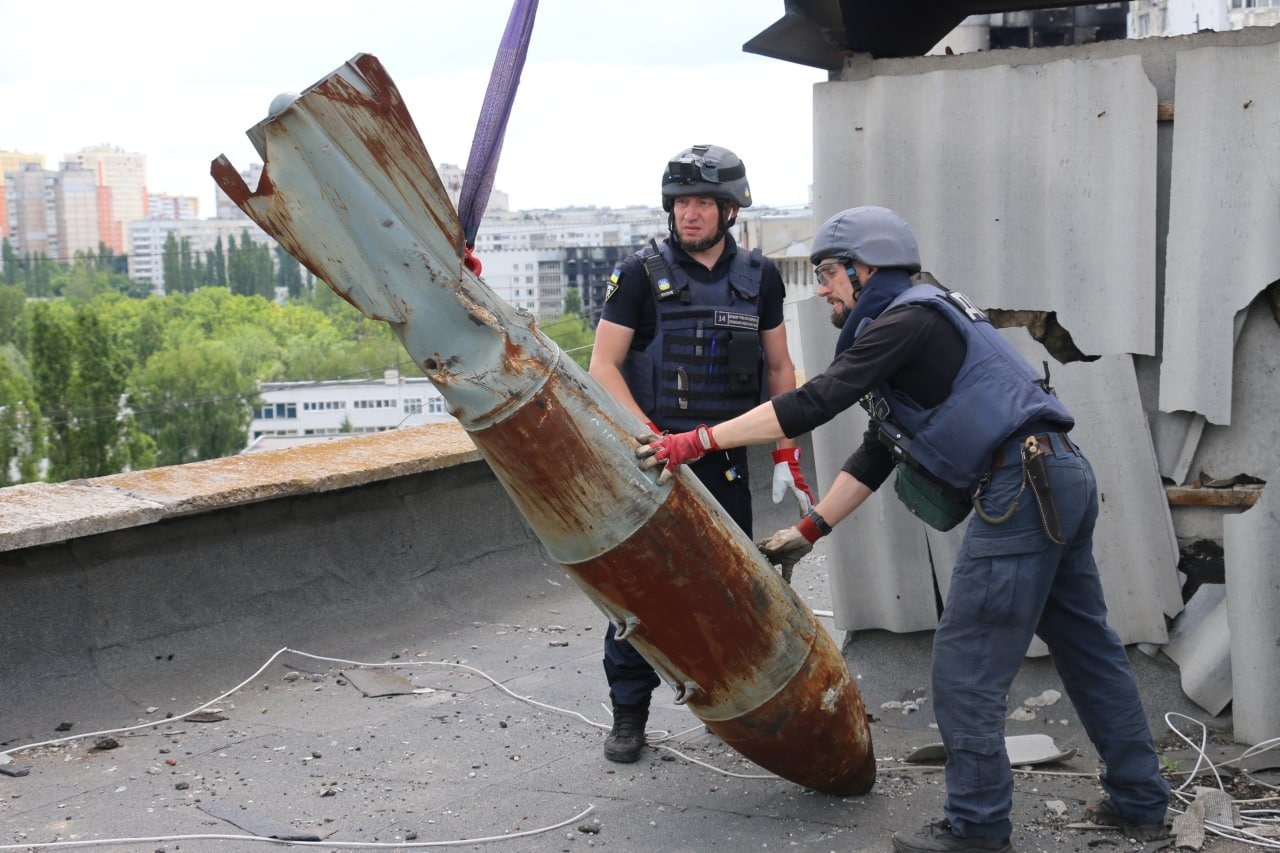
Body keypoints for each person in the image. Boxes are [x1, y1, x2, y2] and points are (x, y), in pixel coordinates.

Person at [636, 206, 1171, 852]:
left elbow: (813, 401)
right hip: (1057, 475)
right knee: (1087, 648)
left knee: (964, 666)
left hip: (1022, 484)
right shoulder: (915, 325)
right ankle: (1141, 799)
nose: (823, 286)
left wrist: (693, 440)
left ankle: (976, 827)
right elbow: (879, 449)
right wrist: (808, 529)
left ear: (866, 270)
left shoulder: (908, 318)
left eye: (829, 272)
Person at [587, 144, 813, 764]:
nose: (689, 214)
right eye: (681, 202)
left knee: (727, 590)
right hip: (652, 457)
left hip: (726, 457)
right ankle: (629, 715)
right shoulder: (637, 272)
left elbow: (779, 366)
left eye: (702, 204)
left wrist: (788, 451)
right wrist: (649, 441)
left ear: (730, 210)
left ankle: (727, 710)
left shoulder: (759, 277)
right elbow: (603, 367)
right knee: (641, 594)